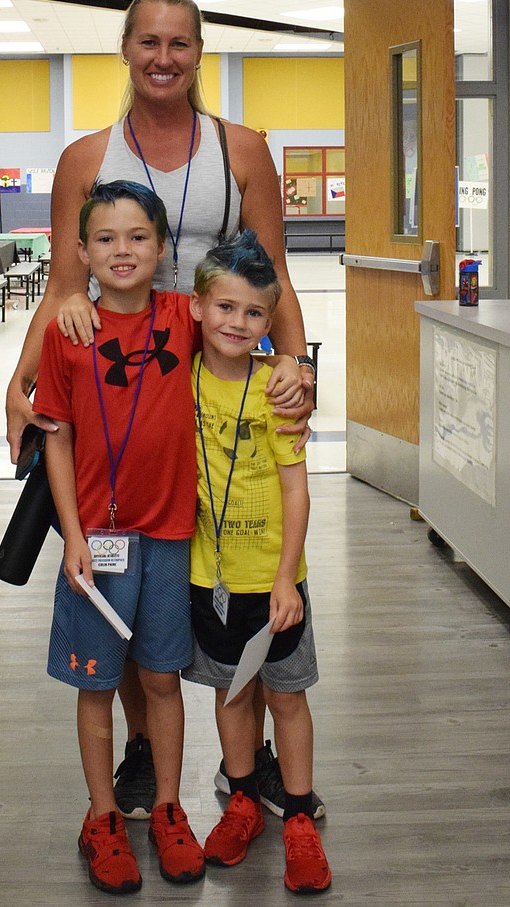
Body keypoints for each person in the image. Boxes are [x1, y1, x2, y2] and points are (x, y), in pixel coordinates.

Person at [5, 0, 317, 816]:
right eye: (149, 41)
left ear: (199, 53)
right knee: (131, 584)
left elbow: (274, 276)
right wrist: (19, 377)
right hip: (119, 393)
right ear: (126, 50)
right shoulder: (85, 158)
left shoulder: (242, 149)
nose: (163, 57)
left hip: (214, 384)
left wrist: (298, 363)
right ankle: (144, 748)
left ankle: (245, 755)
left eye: (179, 43)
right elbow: (62, 285)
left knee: (215, 566)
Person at [33, 180, 206, 895]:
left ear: (163, 248)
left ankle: (168, 806)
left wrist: (292, 365)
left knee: (163, 679)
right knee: (97, 684)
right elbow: (58, 440)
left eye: (138, 236)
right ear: (82, 252)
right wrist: (71, 535)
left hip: (169, 535)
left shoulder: (185, 316)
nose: (123, 250)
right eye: (105, 239)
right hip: (97, 542)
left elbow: (257, 303)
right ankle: (103, 814)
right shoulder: (67, 331)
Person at [183, 230, 331, 894]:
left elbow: (297, 488)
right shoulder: (178, 382)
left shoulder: (279, 388)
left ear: (271, 322)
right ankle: (242, 797)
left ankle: (297, 814)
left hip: (275, 583)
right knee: (231, 693)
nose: (237, 323)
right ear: (196, 308)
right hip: (208, 580)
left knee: (288, 696)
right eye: (225, 308)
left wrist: (285, 577)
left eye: (253, 313)